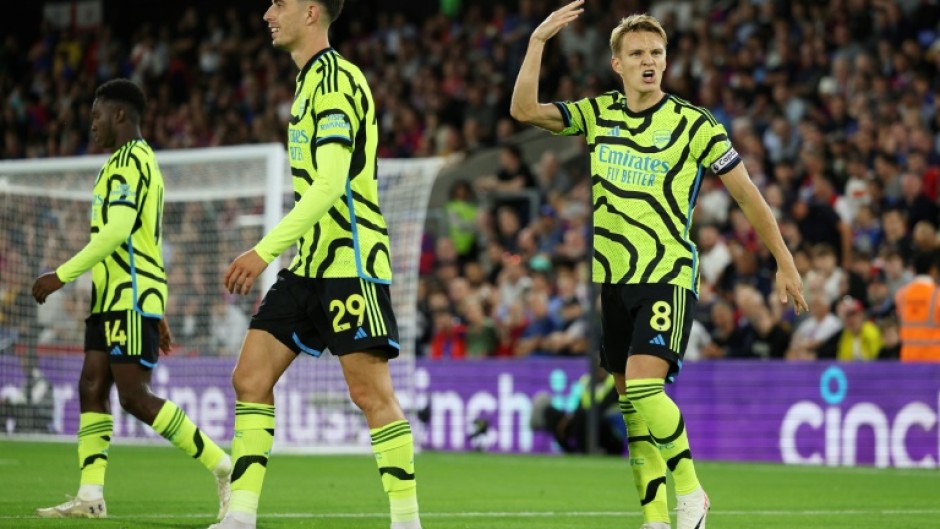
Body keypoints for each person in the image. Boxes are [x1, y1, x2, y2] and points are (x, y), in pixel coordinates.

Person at [510, 5, 807, 529]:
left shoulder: (694, 125)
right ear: (617, 64)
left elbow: (747, 195)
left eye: (656, 53)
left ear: (666, 61)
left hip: (666, 275)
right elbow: (525, 111)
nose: (649, 62)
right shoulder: (598, 112)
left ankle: (691, 494)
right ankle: (654, 518)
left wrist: (784, 260)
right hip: (613, 280)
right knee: (632, 410)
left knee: (647, 390)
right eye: (638, 54)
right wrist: (537, 42)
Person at [213, 2, 421, 528]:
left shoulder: (335, 81)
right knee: (250, 378)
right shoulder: (308, 84)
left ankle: (407, 522)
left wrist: (262, 250)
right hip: (310, 264)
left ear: (311, 11)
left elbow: (329, 185)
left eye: (279, 3)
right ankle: (240, 516)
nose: (266, 12)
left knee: (370, 393)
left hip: (351, 258)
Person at [31, 79, 231, 519]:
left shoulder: (130, 163)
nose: (92, 126)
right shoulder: (123, 164)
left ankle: (222, 466)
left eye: (97, 116)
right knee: (91, 385)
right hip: (114, 299)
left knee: (134, 396)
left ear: (120, 115)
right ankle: (90, 495)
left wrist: (61, 275)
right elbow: (140, 238)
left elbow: (119, 232)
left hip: (129, 297)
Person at [894, 251, 940, 362]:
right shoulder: (937, 295)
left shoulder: (901, 294)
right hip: (934, 360)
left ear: (914, 270)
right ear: (933, 270)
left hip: (908, 357)